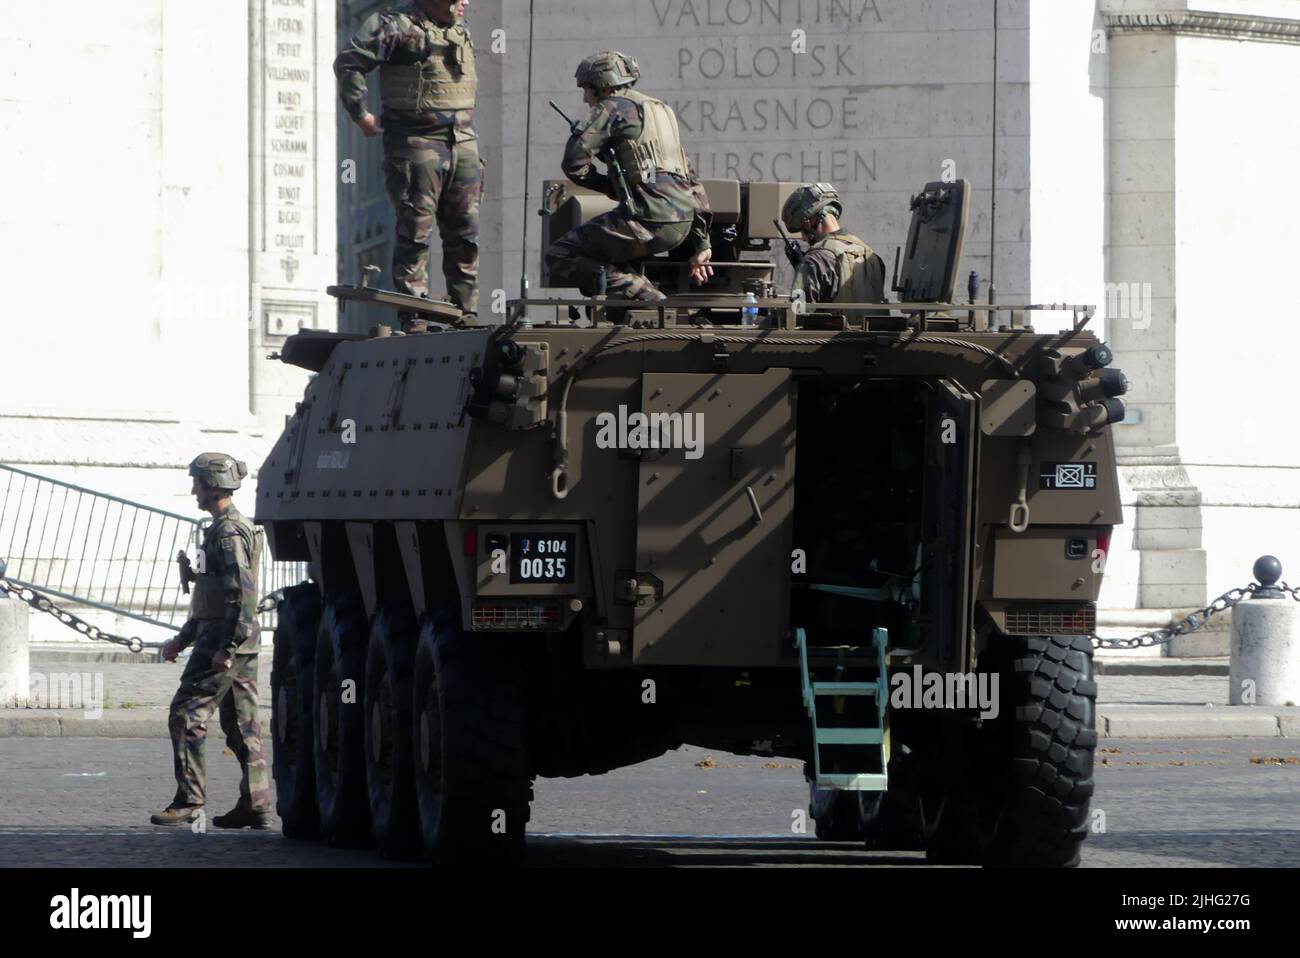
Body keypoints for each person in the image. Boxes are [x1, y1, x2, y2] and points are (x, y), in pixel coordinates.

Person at [334, 0, 482, 320]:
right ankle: (415, 320)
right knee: (415, 235)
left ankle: (465, 317)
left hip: (463, 142)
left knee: (465, 235)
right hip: (416, 144)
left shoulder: (457, 28)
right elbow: (349, 62)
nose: (465, 3)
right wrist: (361, 116)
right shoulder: (397, 25)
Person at [151, 454, 268, 829]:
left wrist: (226, 650)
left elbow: (241, 596)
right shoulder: (219, 530)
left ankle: (190, 800)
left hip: (224, 640)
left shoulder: (229, 533)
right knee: (242, 725)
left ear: (212, 485)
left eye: (197, 483)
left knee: (186, 715)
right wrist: (181, 640)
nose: (193, 490)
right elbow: (209, 596)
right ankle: (255, 803)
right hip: (231, 638)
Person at [545, 51, 713, 302]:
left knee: (559, 254)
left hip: (647, 220)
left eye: (587, 90)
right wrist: (702, 244)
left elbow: (573, 164)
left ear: (602, 86)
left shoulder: (611, 107)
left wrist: (608, 186)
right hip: (682, 224)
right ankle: (638, 297)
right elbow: (692, 181)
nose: (585, 98)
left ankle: (651, 299)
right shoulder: (660, 112)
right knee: (613, 258)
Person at [781, 182, 886, 306]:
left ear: (809, 223)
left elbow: (796, 313)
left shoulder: (815, 260)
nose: (803, 239)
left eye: (802, 231)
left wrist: (804, 269)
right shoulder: (871, 257)